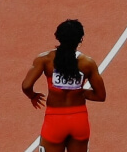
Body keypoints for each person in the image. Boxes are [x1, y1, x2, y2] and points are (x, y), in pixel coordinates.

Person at [23, 19, 107, 152]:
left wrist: (33, 96)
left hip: (54, 120)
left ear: (58, 36)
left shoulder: (45, 60)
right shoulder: (87, 63)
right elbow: (100, 95)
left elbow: (26, 86)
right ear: (80, 39)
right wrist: (81, 92)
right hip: (79, 119)